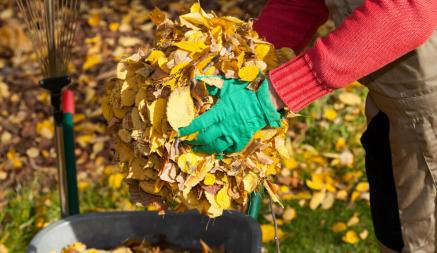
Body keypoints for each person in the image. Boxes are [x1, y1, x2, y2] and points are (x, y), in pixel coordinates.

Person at [179, 1, 437, 252]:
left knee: (420, 241)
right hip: (396, 106)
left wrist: (271, 96)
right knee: (396, 235)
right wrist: (246, 61)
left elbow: (410, 8)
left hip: (428, 116)